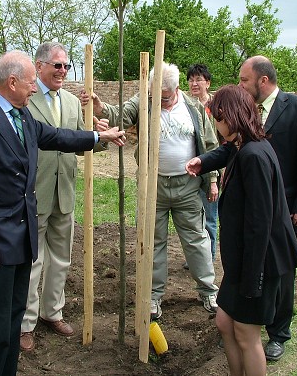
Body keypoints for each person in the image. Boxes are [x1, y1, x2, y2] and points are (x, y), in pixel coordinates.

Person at [0, 50, 125, 376]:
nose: (34, 89)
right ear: (11, 82)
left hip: (21, 239)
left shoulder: (23, 115)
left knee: (12, 321)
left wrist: (100, 136)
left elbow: (57, 137)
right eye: (30, 83)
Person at [81, 62, 219, 320]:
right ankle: (153, 297)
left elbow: (210, 146)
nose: (160, 101)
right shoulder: (144, 99)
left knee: (197, 239)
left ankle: (208, 291)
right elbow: (120, 115)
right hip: (152, 185)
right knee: (153, 243)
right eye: (156, 96)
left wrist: (211, 179)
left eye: (165, 97)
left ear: (176, 89)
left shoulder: (193, 107)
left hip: (187, 186)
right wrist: (99, 106)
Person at [185, 84, 297, 376]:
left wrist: (252, 279)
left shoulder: (253, 156)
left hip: (262, 262)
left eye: (217, 117)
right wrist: (203, 161)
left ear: (231, 116)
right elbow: (225, 152)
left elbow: (260, 223)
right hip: (246, 261)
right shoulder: (242, 146)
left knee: (247, 334)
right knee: (225, 322)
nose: (215, 124)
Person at [238, 55, 297, 361]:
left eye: (244, 80)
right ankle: (251, 321)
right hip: (254, 205)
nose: (241, 85)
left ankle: (278, 333)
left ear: (263, 80)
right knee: (253, 262)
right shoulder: (248, 109)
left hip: (288, 208)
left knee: (282, 270)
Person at [20, 42, 106, 351]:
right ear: (39, 66)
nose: (62, 71)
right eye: (57, 65)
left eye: (66, 66)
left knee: (61, 258)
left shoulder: (71, 102)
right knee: (32, 260)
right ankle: (25, 324)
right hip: (33, 192)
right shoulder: (25, 101)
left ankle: (51, 313)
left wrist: (100, 135)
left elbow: (80, 141)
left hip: (64, 192)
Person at [186, 63, 219, 261]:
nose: (194, 83)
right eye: (191, 80)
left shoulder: (216, 107)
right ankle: (196, 259)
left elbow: (217, 143)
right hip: (193, 170)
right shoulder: (185, 106)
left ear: (208, 83)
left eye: (198, 79)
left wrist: (215, 177)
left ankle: (209, 257)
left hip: (212, 169)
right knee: (193, 219)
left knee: (210, 218)